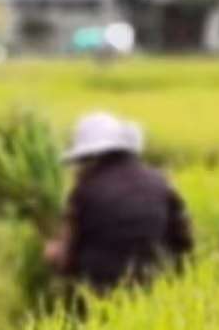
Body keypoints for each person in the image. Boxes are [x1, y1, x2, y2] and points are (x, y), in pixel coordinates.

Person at [43, 112, 194, 293]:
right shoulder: (161, 181)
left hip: (102, 293)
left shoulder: (83, 192)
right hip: (155, 288)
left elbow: (66, 261)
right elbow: (185, 244)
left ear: (90, 157)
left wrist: (52, 252)